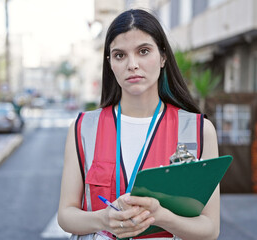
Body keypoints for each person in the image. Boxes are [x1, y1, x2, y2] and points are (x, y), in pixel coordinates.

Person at [58, 9, 220, 240]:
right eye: (120, 55)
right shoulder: (84, 127)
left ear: (163, 56)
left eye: (143, 51)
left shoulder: (198, 130)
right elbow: (66, 215)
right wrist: (104, 219)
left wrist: (161, 216)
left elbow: (210, 228)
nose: (132, 64)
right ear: (110, 63)